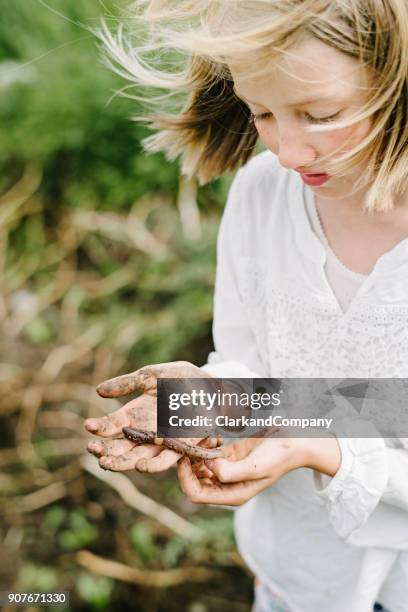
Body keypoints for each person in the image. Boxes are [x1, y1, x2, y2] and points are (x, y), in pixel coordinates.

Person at [84, 2, 408, 610]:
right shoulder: (263, 193)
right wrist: (211, 402)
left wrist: (322, 452)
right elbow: (276, 378)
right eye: (261, 112)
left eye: (320, 115)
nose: (288, 152)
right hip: (298, 575)